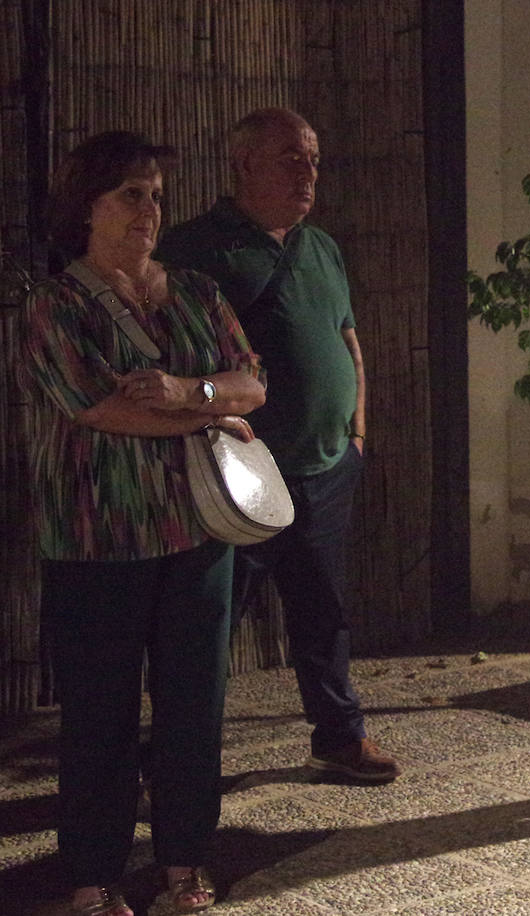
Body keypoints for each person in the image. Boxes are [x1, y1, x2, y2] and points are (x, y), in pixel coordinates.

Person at [22, 131, 266, 915]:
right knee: (100, 713)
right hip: (99, 536)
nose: (149, 210)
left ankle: (183, 866)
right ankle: (93, 879)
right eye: (130, 193)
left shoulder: (195, 291)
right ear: (85, 207)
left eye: (156, 194)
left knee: (196, 705)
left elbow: (251, 383)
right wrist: (212, 415)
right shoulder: (52, 304)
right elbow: (98, 406)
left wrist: (192, 395)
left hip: (198, 531)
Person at [157, 108, 399, 783]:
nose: (307, 172)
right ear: (243, 165)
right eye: (290, 157)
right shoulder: (196, 248)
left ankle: (339, 735)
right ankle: (177, 755)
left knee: (324, 611)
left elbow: (347, 336)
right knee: (211, 620)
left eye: (313, 159)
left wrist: (356, 432)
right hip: (243, 476)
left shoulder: (321, 247)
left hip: (325, 468)